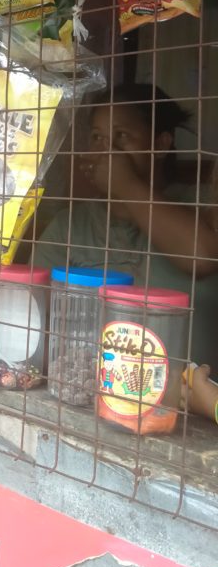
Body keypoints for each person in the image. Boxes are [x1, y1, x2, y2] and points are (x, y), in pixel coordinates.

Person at [33, 83, 218, 366]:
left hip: (194, 403)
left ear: (161, 143)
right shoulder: (70, 225)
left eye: (122, 135)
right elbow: (30, 316)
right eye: (97, 137)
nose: (107, 150)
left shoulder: (201, 206)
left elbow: (202, 257)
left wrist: (126, 184)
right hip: (94, 393)